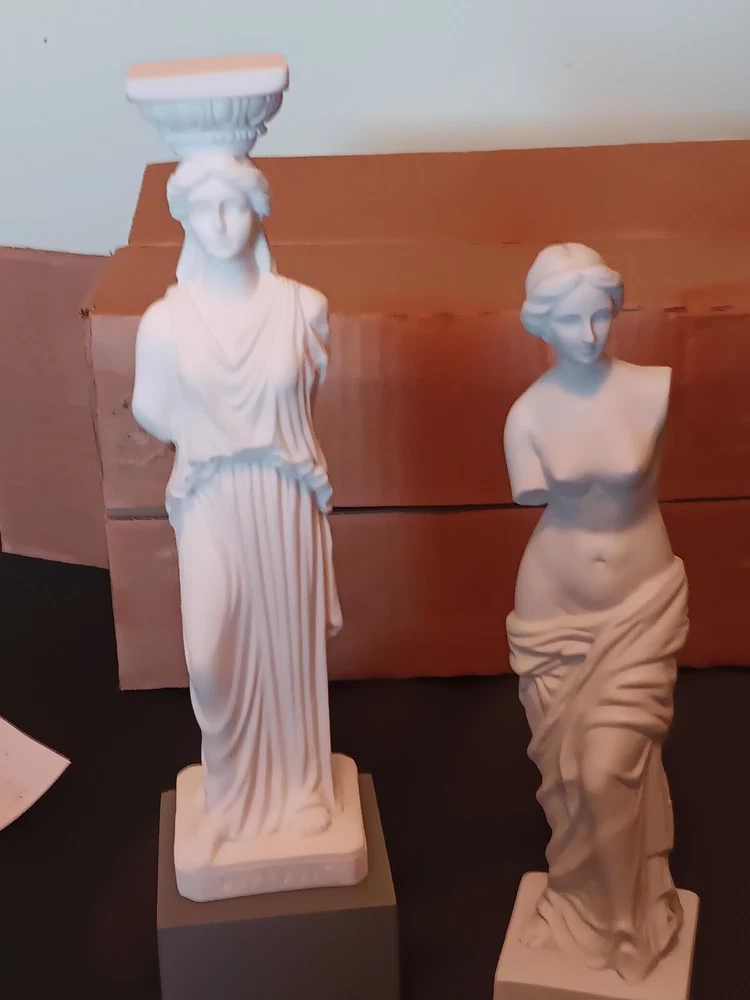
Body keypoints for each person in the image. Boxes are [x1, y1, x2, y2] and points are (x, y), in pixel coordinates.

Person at [132, 154, 341, 862]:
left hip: (281, 495)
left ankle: (301, 791)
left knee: (288, 644)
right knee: (210, 654)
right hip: (210, 498)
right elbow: (152, 409)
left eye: (236, 204)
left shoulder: (303, 308)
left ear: (260, 211)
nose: (221, 221)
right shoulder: (164, 323)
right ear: (184, 218)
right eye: (204, 207)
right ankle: (229, 789)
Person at [504, 243, 688, 983]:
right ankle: (594, 907)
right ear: (540, 325)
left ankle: (623, 923)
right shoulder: (526, 416)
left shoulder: (650, 387)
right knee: (571, 781)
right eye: (569, 320)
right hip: (552, 618)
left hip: (639, 609)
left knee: (607, 768)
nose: (587, 334)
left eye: (600, 316)